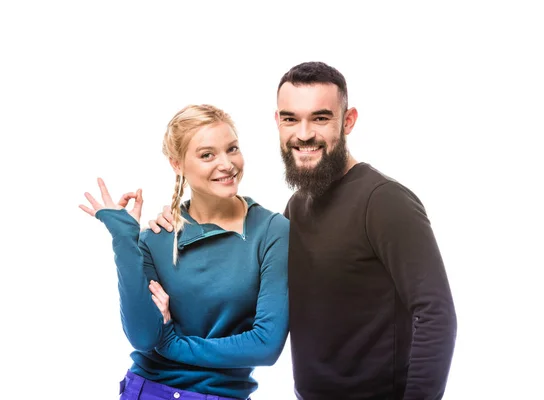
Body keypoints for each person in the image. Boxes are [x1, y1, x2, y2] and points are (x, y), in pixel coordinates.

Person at [150, 62, 457, 400]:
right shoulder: (296, 208)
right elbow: (247, 296)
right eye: (291, 118)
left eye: (321, 118)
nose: (304, 133)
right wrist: (179, 223)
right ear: (278, 122)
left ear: (348, 121)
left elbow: (434, 314)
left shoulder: (383, 201)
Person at [79, 104, 290, 400]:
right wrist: (125, 239)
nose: (227, 164)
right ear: (177, 164)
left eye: (232, 149)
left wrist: (172, 343)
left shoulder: (272, 231)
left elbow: (266, 345)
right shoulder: (157, 237)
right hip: (147, 391)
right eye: (207, 155)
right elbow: (142, 336)